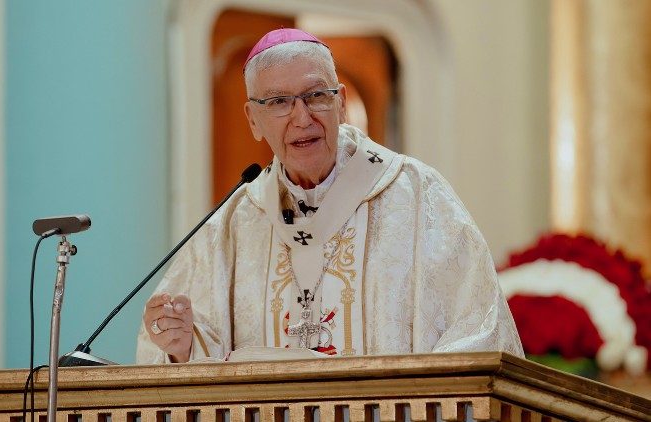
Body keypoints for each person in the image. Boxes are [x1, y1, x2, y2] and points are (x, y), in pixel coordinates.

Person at [136, 28, 523, 363]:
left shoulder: (417, 196)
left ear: (339, 104)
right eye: (278, 102)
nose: (302, 117)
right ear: (253, 120)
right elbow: (183, 360)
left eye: (316, 95)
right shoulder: (235, 223)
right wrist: (181, 347)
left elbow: (481, 329)